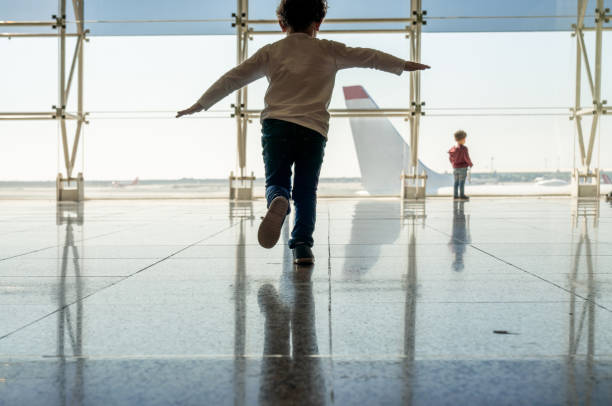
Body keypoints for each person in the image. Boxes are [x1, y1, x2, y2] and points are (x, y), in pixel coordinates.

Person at [177, 0, 430, 264]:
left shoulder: (271, 51)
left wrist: (201, 104)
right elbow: (369, 56)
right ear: (318, 23)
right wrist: (402, 64)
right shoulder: (329, 49)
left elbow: (233, 78)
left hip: (277, 125)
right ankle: (302, 246)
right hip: (313, 130)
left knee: (277, 180)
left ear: (281, 24)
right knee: (307, 190)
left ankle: (278, 199)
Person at [448, 130, 473, 201]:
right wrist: (470, 164)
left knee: (456, 182)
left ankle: (455, 195)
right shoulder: (464, 149)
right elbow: (466, 158)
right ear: (462, 139)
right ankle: (462, 195)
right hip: (463, 168)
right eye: (464, 138)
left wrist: (453, 164)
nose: (465, 140)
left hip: (455, 168)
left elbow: (450, 158)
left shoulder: (452, 149)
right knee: (462, 182)